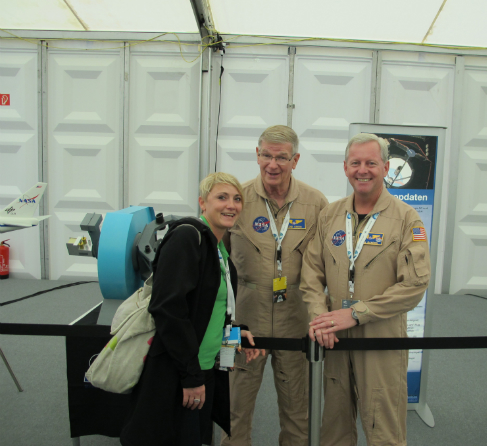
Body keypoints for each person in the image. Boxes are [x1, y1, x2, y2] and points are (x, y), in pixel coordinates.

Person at [300, 133, 431, 446]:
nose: (363, 170)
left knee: (383, 429)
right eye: (355, 163)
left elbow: (414, 285)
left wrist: (358, 314)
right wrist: (320, 318)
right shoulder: (330, 215)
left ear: (385, 168)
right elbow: (311, 273)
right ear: (345, 168)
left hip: (380, 338)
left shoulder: (407, 219)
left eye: (371, 163)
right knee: (334, 427)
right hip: (334, 337)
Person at [121, 172, 264, 446]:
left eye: (237, 199)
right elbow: (168, 308)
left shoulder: (219, 248)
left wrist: (234, 331)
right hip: (178, 371)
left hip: (205, 367)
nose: (231, 205)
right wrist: (190, 376)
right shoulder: (187, 238)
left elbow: (207, 304)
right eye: (221, 197)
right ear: (202, 203)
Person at [222, 125, 328, 446]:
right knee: (233, 409)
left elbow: (326, 265)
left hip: (295, 319)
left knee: (298, 411)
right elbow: (217, 262)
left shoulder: (315, 203)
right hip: (243, 320)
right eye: (266, 155)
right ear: (257, 155)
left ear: (295, 160)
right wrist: (223, 323)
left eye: (281, 157)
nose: (272, 164)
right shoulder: (235, 199)